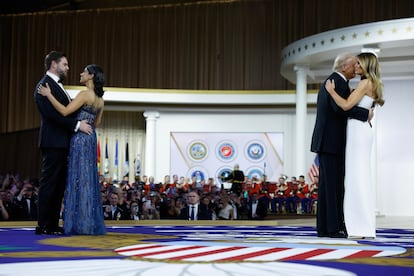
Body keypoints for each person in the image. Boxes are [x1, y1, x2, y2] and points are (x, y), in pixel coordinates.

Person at [38, 63, 106, 235]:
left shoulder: (84, 95)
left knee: (77, 178)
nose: (80, 73)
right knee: (87, 179)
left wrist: (49, 95)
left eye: (84, 71)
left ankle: (77, 223)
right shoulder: (100, 99)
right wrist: (86, 123)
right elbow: (96, 123)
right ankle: (87, 222)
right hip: (90, 138)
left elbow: (64, 111)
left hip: (79, 139)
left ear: (91, 76)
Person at [311, 52, 372, 239]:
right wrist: (365, 114)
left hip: (327, 142)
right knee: (333, 187)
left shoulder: (335, 81)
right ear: (344, 67)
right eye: (354, 64)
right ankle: (333, 228)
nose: (355, 68)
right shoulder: (336, 82)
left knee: (327, 187)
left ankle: (324, 228)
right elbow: (341, 108)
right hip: (331, 143)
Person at [325, 52, 384, 238]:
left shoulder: (365, 83)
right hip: (361, 130)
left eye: (359, 63)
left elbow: (345, 106)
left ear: (366, 65)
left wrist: (332, 91)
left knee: (356, 178)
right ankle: (361, 225)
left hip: (358, 132)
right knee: (358, 176)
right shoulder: (370, 83)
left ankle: (359, 225)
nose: (356, 66)